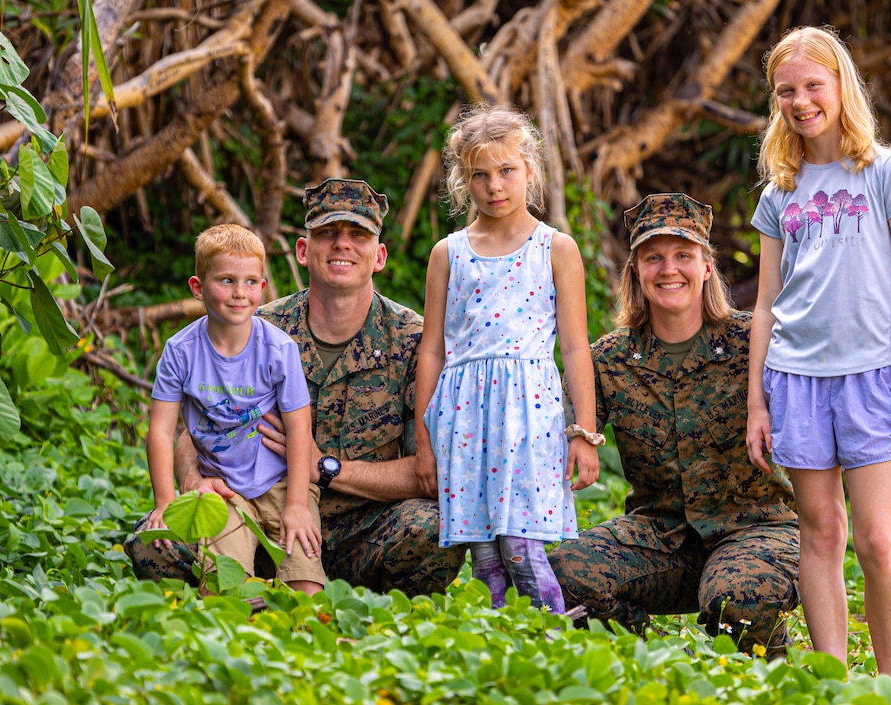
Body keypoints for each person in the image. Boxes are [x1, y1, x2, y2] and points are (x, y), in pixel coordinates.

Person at [126, 178, 466, 596]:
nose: (342, 245)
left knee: (433, 529)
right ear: (304, 251)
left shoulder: (414, 341)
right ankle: (248, 589)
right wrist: (193, 478)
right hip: (256, 520)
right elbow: (191, 427)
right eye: (327, 233)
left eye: (358, 235)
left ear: (378, 256)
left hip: (365, 531)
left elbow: (427, 475)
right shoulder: (255, 325)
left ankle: (336, 597)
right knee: (153, 545)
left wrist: (328, 469)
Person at [746, 26, 891, 680]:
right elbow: (767, 302)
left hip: (876, 379)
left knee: (879, 541)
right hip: (795, 380)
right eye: (786, 92)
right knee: (819, 532)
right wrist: (756, 403)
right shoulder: (779, 191)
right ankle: (833, 683)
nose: (800, 101)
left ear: (841, 87)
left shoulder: (885, 172)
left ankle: (890, 684)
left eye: (812, 86)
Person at [548, 193, 800, 655]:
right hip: (662, 539)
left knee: (738, 600)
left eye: (684, 255)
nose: (669, 269)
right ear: (636, 271)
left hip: (757, 531)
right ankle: (640, 661)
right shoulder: (610, 359)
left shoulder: (754, 342)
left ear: (706, 267)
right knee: (567, 571)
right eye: (653, 257)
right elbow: (553, 424)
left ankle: (767, 655)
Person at [414, 104, 600, 613]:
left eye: (506, 171)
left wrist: (583, 432)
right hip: (463, 418)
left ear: (530, 171)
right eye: (480, 175)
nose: (495, 185)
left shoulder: (555, 249)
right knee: (485, 555)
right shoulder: (448, 253)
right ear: (463, 181)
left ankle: (553, 634)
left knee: (521, 545)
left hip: (528, 416)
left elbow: (575, 347)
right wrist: (423, 434)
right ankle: (503, 649)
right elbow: (432, 349)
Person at [145, 224, 324, 595]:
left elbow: (299, 429)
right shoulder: (181, 351)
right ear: (198, 288)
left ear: (262, 287)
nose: (239, 293)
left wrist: (296, 505)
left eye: (250, 281)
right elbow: (161, 432)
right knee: (225, 589)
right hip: (223, 490)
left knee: (306, 590)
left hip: (282, 483)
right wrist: (165, 503)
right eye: (226, 280)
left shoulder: (278, 349)